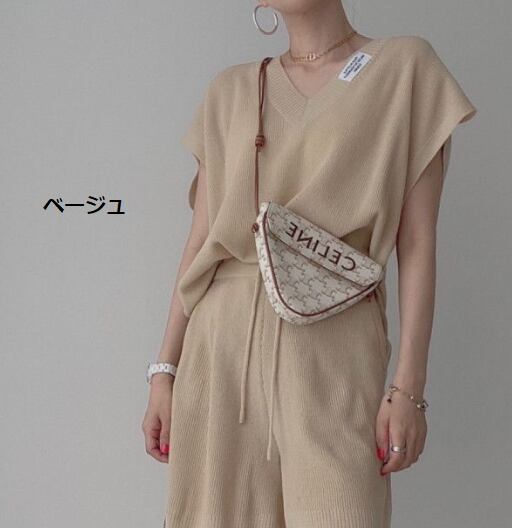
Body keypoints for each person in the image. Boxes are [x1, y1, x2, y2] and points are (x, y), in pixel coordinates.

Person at [142, 1, 477, 526]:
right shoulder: (230, 91)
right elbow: (200, 242)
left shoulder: (405, 67)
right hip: (219, 348)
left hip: (335, 348)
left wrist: (409, 390)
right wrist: (164, 371)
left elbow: (416, 243)